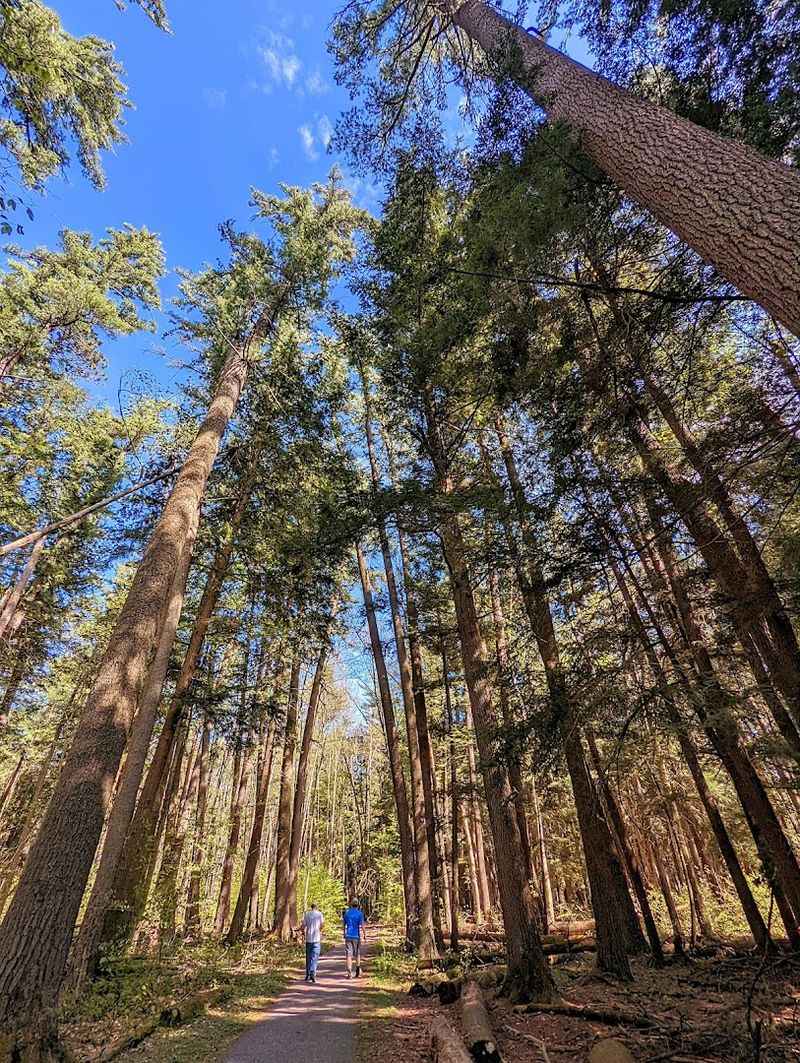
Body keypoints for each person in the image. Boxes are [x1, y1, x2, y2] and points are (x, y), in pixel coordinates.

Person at [342, 897, 366, 979]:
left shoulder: (347, 913)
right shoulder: (359, 914)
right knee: (357, 954)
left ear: (351, 905)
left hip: (348, 936)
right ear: (357, 905)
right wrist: (365, 934)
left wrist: (344, 933)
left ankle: (349, 973)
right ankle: (358, 970)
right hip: (356, 936)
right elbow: (362, 925)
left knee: (349, 955)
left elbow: (344, 925)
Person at [301, 902, 324, 983]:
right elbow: (322, 925)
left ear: (311, 907)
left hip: (308, 938)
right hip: (316, 939)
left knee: (308, 957)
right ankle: (312, 973)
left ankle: (307, 974)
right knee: (315, 957)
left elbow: (303, 925)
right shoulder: (319, 914)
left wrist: (302, 932)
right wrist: (319, 930)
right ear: (316, 907)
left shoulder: (307, 914)